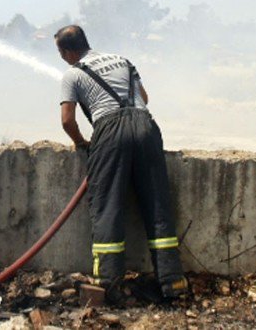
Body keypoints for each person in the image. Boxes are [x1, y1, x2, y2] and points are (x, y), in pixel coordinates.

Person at [54, 24, 188, 301]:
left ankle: (108, 283)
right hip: (146, 127)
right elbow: (145, 98)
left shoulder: (73, 74)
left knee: (107, 205)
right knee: (157, 203)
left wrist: (82, 143)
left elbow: (67, 120)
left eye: (60, 53)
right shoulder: (122, 60)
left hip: (110, 132)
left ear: (67, 51)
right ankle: (173, 283)